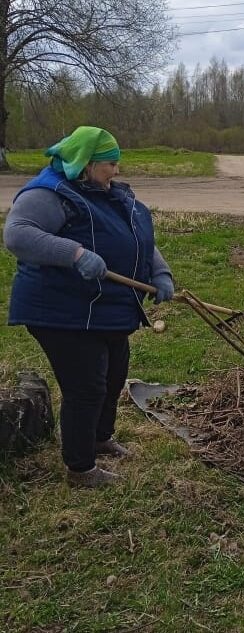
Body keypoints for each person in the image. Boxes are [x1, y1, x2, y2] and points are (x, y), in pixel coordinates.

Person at [3, 126, 175, 488]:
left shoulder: (103, 191)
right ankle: (80, 468)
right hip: (60, 309)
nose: (116, 172)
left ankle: (99, 438)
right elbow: (17, 234)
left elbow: (135, 236)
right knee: (86, 386)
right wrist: (75, 254)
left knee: (114, 374)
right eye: (109, 164)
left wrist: (159, 272)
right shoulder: (48, 193)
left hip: (101, 308)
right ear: (84, 164)